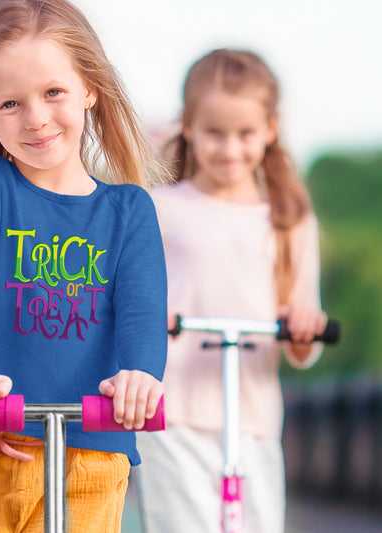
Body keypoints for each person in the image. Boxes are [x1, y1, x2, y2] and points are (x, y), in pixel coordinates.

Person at [0, 1, 167, 531]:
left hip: (92, 453)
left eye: (53, 92)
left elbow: (142, 304)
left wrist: (141, 376)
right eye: (10, 103)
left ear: (89, 87)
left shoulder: (129, 209)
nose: (36, 118)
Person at [135, 49, 328, 533]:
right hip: (174, 412)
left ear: (270, 128)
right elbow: (130, 298)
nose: (229, 149)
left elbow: (302, 336)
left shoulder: (289, 221)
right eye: (214, 133)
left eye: (245, 134)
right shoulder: (160, 209)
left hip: (254, 417)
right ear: (189, 128)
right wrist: (148, 314)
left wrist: (304, 327)